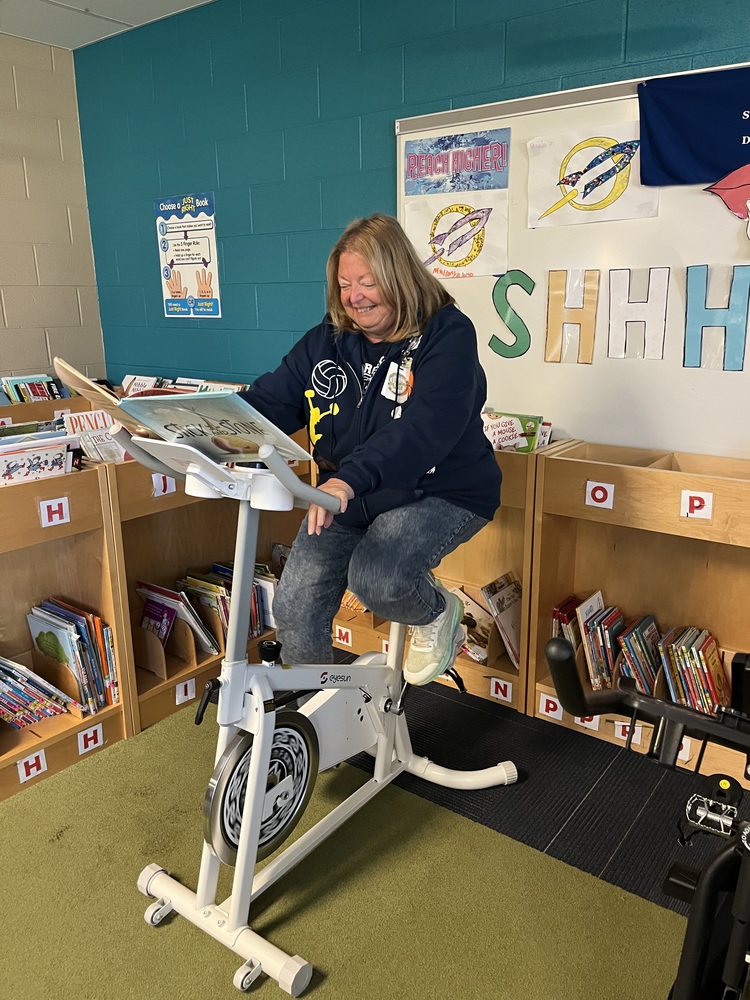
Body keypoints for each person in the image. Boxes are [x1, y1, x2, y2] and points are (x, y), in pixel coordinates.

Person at [242, 212, 502, 685]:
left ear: (399, 275)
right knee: (295, 607)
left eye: (366, 282)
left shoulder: (447, 335)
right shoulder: (327, 340)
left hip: (440, 490)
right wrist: (201, 427)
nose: (354, 296)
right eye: (344, 285)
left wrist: (350, 477)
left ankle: (441, 613)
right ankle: (316, 719)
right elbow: (269, 402)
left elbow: (425, 429)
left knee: (378, 578)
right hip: (352, 493)